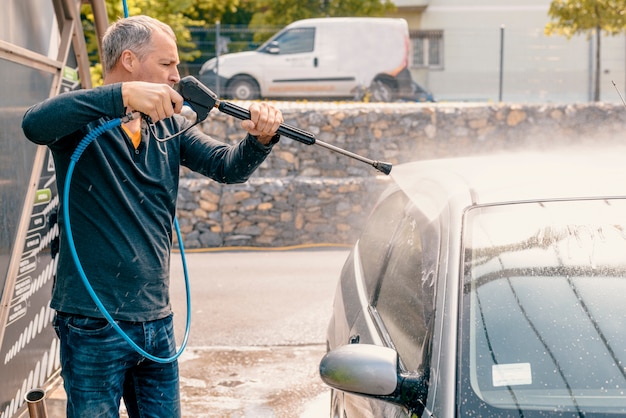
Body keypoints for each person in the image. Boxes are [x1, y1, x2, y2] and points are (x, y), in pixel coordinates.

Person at [21, 15, 283, 418]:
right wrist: (121, 96)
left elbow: (227, 167)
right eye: (167, 64)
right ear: (129, 60)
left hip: (155, 320)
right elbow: (33, 124)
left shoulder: (169, 125)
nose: (177, 76)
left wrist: (260, 139)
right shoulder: (81, 121)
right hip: (91, 323)